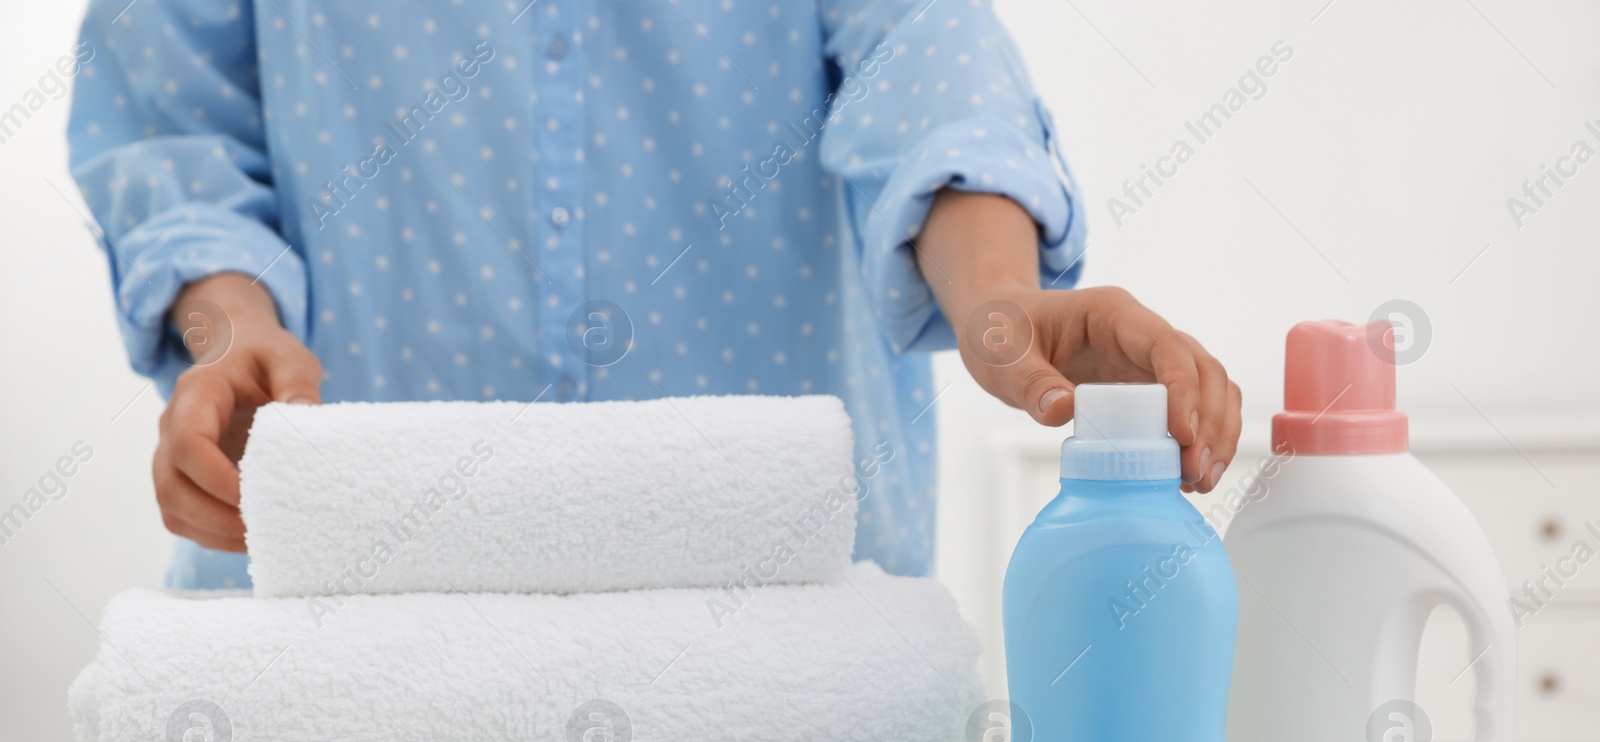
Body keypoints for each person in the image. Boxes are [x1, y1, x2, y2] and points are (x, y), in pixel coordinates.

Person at [68, 0, 1241, 589]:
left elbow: (921, 59)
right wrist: (232, 334)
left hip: (778, 653)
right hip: (339, 592)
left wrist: (1000, 303)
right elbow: (174, 130)